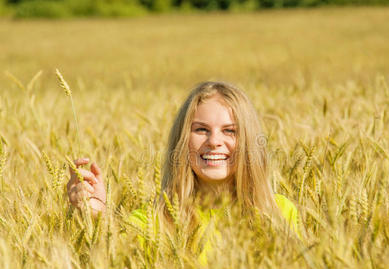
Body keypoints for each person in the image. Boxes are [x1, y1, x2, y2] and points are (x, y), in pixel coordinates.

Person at [66, 81, 298, 258]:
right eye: (200, 130)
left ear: (248, 141)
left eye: (230, 131)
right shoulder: (151, 221)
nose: (214, 141)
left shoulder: (279, 213)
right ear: (182, 141)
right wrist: (97, 217)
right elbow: (113, 265)